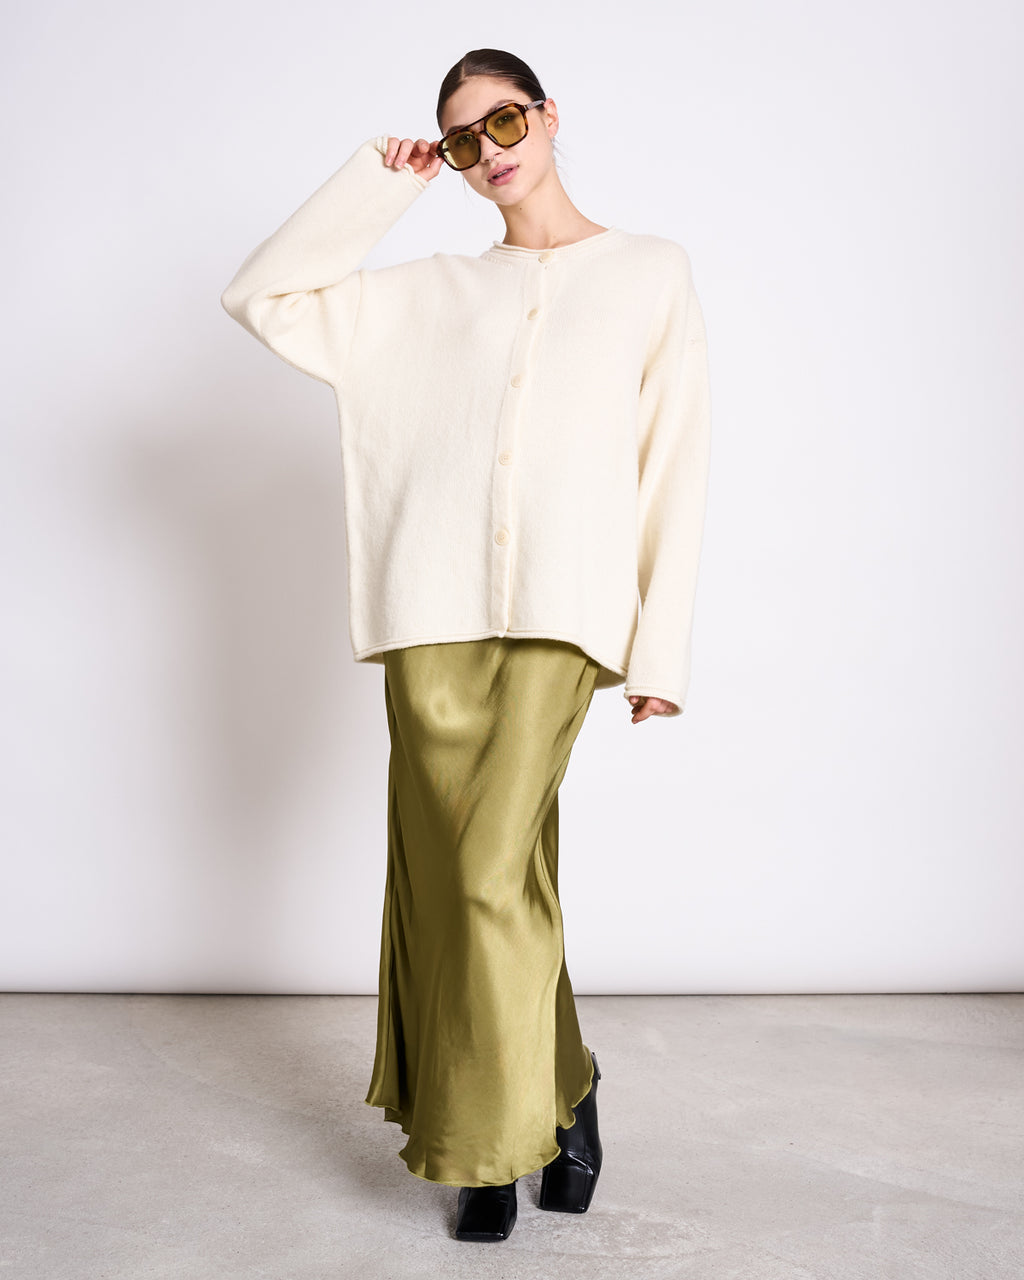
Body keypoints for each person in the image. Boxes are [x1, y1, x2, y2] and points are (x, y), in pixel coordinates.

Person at [220, 47, 711, 1243]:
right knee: (469, 881)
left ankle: (489, 1147)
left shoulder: (649, 272)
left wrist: (660, 656)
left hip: (565, 612)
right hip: (428, 615)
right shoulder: (427, 289)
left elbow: (673, 467)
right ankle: (567, 1083)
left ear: (546, 116)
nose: (489, 151)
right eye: (460, 142)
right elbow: (262, 296)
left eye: (501, 121)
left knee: (490, 868)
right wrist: (377, 186)